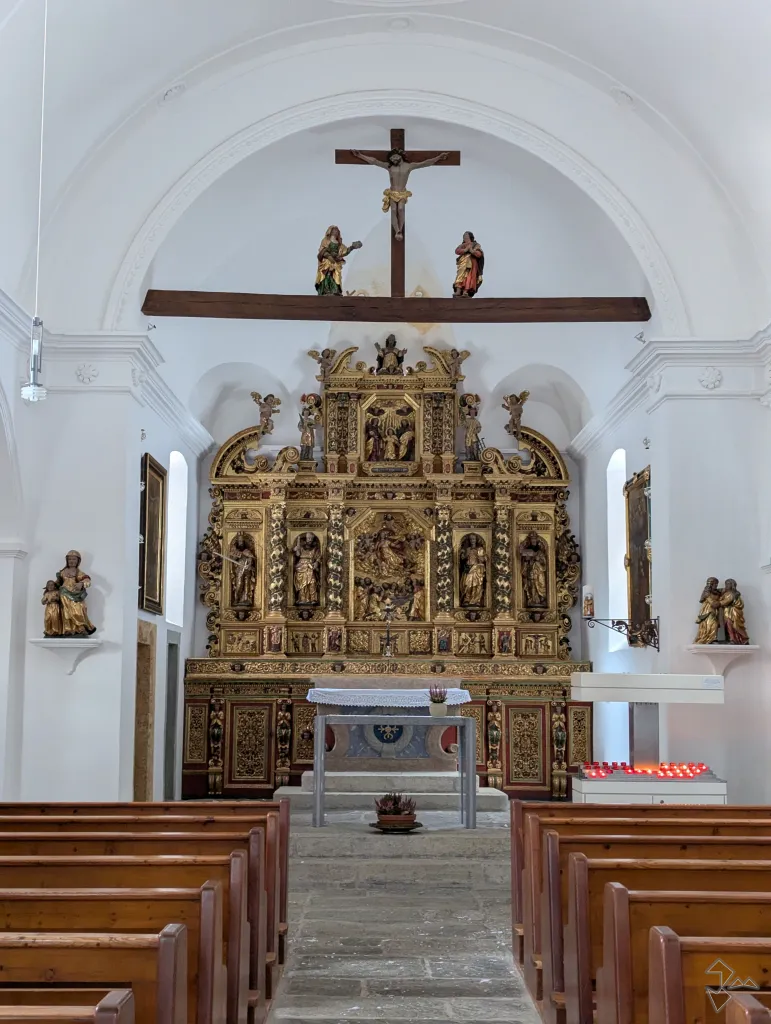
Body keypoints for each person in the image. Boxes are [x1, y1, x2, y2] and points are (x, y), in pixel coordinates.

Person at [351, 147, 449, 241]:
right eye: (391, 158)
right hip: (393, 192)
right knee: (394, 210)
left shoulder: (409, 166)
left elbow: (425, 163)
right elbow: (375, 161)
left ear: (400, 155)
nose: (393, 159)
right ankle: (397, 231)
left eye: (394, 157)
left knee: (401, 209)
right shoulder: (390, 167)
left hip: (402, 193)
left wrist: (438, 157)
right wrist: (360, 155)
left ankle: (400, 230)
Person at [56, 551, 97, 636]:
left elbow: (87, 580)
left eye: (74, 559)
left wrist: (81, 583)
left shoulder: (79, 572)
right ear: (67, 560)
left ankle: (81, 628)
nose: (72, 561)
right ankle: (68, 629)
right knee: (66, 612)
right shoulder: (62, 572)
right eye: (70, 559)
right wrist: (51, 588)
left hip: (76, 595)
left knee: (79, 610)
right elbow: (58, 583)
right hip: (64, 594)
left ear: (78, 561)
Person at [315, 225, 362, 295]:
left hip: (335, 262)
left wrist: (352, 247)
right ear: (330, 231)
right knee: (327, 274)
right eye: (334, 230)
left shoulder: (339, 244)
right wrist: (329, 256)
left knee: (336, 276)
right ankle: (326, 289)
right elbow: (322, 250)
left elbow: (344, 252)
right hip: (327, 261)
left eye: (337, 231)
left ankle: (335, 290)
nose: (335, 232)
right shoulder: (326, 240)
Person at [520, 532, 548, 608]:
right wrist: (526, 560)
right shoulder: (528, 551)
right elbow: (524, 563)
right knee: (531, 585)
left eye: (534, 540)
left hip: (539, 573)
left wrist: (538, 560)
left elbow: (544, 564)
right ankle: (532, 599)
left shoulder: (540, 552)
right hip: (531, 572)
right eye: (532, 540)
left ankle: (540, 598)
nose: (533, 541)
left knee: (539, 585)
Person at [453, 231, 484, 298]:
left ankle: (465, 291)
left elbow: (479, 254)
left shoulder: (475, 245)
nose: (465, 238)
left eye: (466, 236)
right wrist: (465, 250)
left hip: (471, 263)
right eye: (464, 237)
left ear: (470, 237)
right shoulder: (462, 245)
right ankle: (458, 290)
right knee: (460, 275)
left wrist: (472, 251)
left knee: (469, 277)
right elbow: (457, 251)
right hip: (462, 262)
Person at [293, 533, 321, 606]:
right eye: (308, 538)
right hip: (301, 567)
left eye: (311, 538)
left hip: (310, 566)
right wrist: (296, 548)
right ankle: (302, 599)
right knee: (303, 584)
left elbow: (318, 557)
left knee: (312, 582)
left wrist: (316, 563)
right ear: (306, 539)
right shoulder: (301, 547)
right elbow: (298, 554)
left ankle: (313, 599)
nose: (310, 540)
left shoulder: (315, 549)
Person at [720, 579, 750, 645]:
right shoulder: (726, 593)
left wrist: (717, 603)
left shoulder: (733, 593)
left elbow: (725, 602)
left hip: (734, 612)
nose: (726, 585)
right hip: (727, 612)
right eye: (726, 584)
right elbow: (722, 600)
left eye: (728, 584)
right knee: (728, 625)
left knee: (735, 625)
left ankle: (742, 639)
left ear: (732, 585)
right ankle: (732, 639)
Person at [460, 536, 487, 608]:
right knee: (467, 584)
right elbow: (463, 558)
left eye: (474, 539)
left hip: (477, 569)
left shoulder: (480, 549)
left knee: (477, 585)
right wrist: (463, 553)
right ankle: (467, 599)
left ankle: (476, 600)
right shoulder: (468, 549)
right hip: (468, 568)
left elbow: (484, 559)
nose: (472, 540)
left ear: (476, 540)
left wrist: (478, 556)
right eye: (471, 539)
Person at [694, 577, 721, 644]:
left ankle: (712, 638)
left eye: (717, 584)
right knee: (712, 623)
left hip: (715, 610)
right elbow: (711, 602)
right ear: (711, 584)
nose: (716, 585)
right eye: (715, 584)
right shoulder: (707, 592)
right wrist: (716, 603)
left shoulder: (717, 592)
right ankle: (710, 638)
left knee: (714, 623)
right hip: (708, 610)